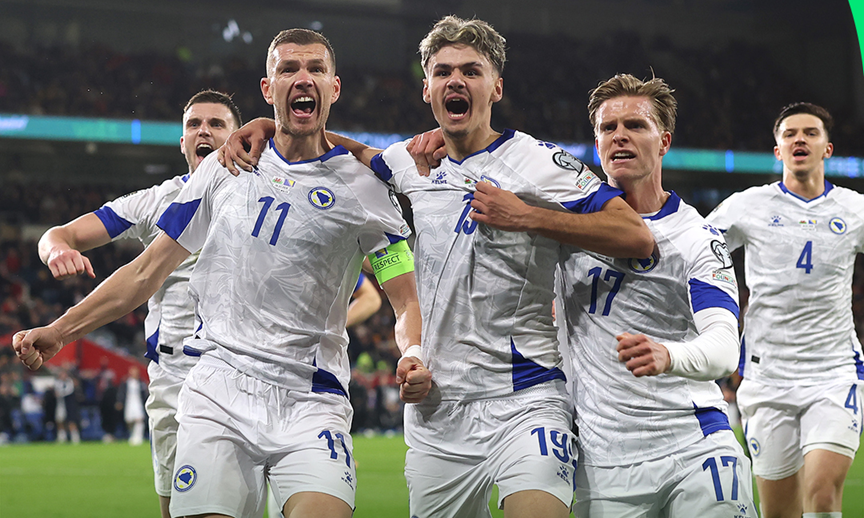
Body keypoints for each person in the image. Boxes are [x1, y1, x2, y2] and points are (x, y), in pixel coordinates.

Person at [219, 16, 653, 518]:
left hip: (526, 396)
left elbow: (635, 236)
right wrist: (271, 126)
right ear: (427, 89)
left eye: (472, 71)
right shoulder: (410, 162)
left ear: (496, 86)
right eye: (443, 71)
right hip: (437, 409)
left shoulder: (537, 163)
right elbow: (350, 152)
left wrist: (527, 215)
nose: (456, 81)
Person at [14, 27, 430, 518]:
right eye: (288, 69)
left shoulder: (368, 190)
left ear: (334, 88)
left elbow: (404, 297)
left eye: (316, 69)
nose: (303, 78)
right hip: (218, 388)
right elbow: (145, 272)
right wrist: (60, 330)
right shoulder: (224, 169)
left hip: (312, 396)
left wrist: (414, 351)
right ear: (267, 87)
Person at [37, 89, 241, 518]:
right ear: (182, 142)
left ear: (238, 136)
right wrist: (56, 250)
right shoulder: (156, 200)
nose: (203, 131)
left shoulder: (261, 196)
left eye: (216, 124)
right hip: (171, 376)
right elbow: (61, 234)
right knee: (173, 509)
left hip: (240, 370)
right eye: (193, 125)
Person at [707, 102, 864, 518]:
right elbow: (696, 251)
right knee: (778, 511)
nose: (800, 139)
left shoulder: (854, 209)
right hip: (766, 377)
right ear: (777, 150)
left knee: (822, 493)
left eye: (810, 133)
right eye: (790, 134)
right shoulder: (747, 206)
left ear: (827, 148)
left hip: (833, 372)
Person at [116, 365, 148, 445]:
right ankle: (132, 436)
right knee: (129, 420)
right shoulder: (126, 383)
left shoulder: (141, 383)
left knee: (139, 420)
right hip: (129, 403)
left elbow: (145, 395)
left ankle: (138, 437)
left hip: (138, 403)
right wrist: (120, 402)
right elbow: (121, 393)